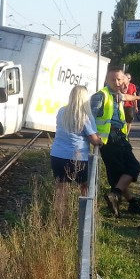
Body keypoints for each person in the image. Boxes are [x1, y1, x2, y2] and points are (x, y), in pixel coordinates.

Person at [91, 66, 140, 217]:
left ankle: (128, 203)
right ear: (106, 80)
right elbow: (89, 118)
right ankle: (116, 194)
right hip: (111, 139)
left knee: (117, 175)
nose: (117, 82)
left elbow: (126, 97)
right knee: (133, 168)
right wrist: (92, 137)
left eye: (119, 79)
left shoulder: (117, 94)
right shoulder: (101, 95)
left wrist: (139, 98)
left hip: (117, 137)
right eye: (113, 79)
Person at [49, 85, 102, 213]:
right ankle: (85, 216)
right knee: (85, 187)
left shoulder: (62, 111)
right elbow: (94, 139)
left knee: (61, 190)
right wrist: (101, 141)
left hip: (57, 156)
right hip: (78, 157)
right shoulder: (85, 116)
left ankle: (59, 221)